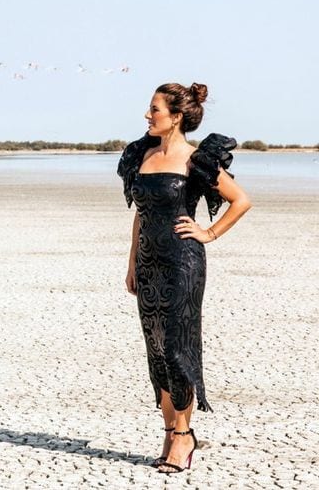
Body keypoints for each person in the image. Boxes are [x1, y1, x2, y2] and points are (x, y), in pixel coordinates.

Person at [116, 82, 252, 474]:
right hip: (148, 263)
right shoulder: (140, 155)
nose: (147, 115)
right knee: (156, 349)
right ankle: (170, 430)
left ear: (176, 117)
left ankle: (183, 435)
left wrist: (208, 233)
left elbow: (241, 200)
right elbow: (140, 215)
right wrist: (131, 265)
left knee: (178, 348)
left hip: (182, 263)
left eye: (154, 109)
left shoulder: (197, 160)